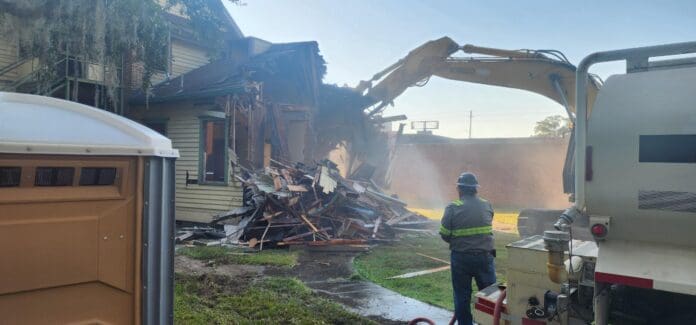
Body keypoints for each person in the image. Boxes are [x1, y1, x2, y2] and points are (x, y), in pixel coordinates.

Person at [440, 172, 496, 325]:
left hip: (461, 258)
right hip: (485, 257)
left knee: (462, 296)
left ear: (460, 189)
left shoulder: (452, 208)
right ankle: (489, 322)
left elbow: (444, 234)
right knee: (490, 295)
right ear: (475, 189)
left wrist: (459, 241)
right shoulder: (487, 205)